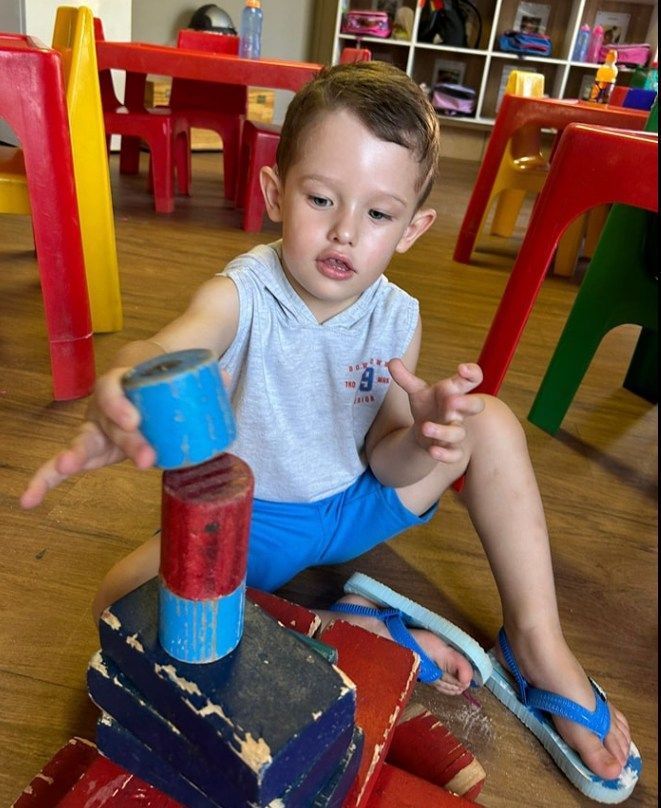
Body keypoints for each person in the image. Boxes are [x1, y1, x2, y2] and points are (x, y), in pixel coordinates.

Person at [21, 62, 633, 792]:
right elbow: (173, 343)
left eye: (378, 215)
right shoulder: (241, 292)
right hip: (253, 522)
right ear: (276, 193)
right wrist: (127, 377)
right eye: (320, 198)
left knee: (490, 421)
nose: (345, 230)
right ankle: (351, 632)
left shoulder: (395, 314)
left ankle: (538, 645)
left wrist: (428, 435)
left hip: (355, 502)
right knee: (116, 603)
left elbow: (388, 458)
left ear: (412, 229)